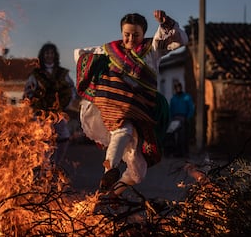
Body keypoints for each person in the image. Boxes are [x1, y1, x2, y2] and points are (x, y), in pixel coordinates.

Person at [74, 10, 188, 198]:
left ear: (143, 34)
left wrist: (166, 23)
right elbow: (82, 55)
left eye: (136, 35)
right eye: (127, 34)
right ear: (121, 33)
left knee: (138, 170)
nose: (130, 39)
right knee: (122, 129)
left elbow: (181, 40)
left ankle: (109, 196)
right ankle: (108, 172)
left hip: (141, 110)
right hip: (113, 105)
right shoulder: (109, 50)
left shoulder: (152, 48)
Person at [24, 42, 76, 171]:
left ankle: (57, 163)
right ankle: (45, 164)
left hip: (58, 112)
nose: (49, 55)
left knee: (63, 136)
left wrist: (65, 104)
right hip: (42, 113)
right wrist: (35, 105)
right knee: (44, 137)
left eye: (51, 53)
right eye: (47, 53)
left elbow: (71, 90)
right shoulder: (36, 74)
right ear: (42, 55)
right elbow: (28, 92)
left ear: (55, 55)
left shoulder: (62, 73)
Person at [169, 81, 195, 157]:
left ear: (181, 88)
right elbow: (171, 109)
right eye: (176, 88)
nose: (178, 89)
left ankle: (185, 152)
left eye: (179, 87)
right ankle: (177, 152)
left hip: (184, 118)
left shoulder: (187, 97)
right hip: (175, 119)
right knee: (174, 136)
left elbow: (191, 108)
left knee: (183, 136)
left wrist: (188, 117)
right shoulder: (173, 98)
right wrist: (171, 119)